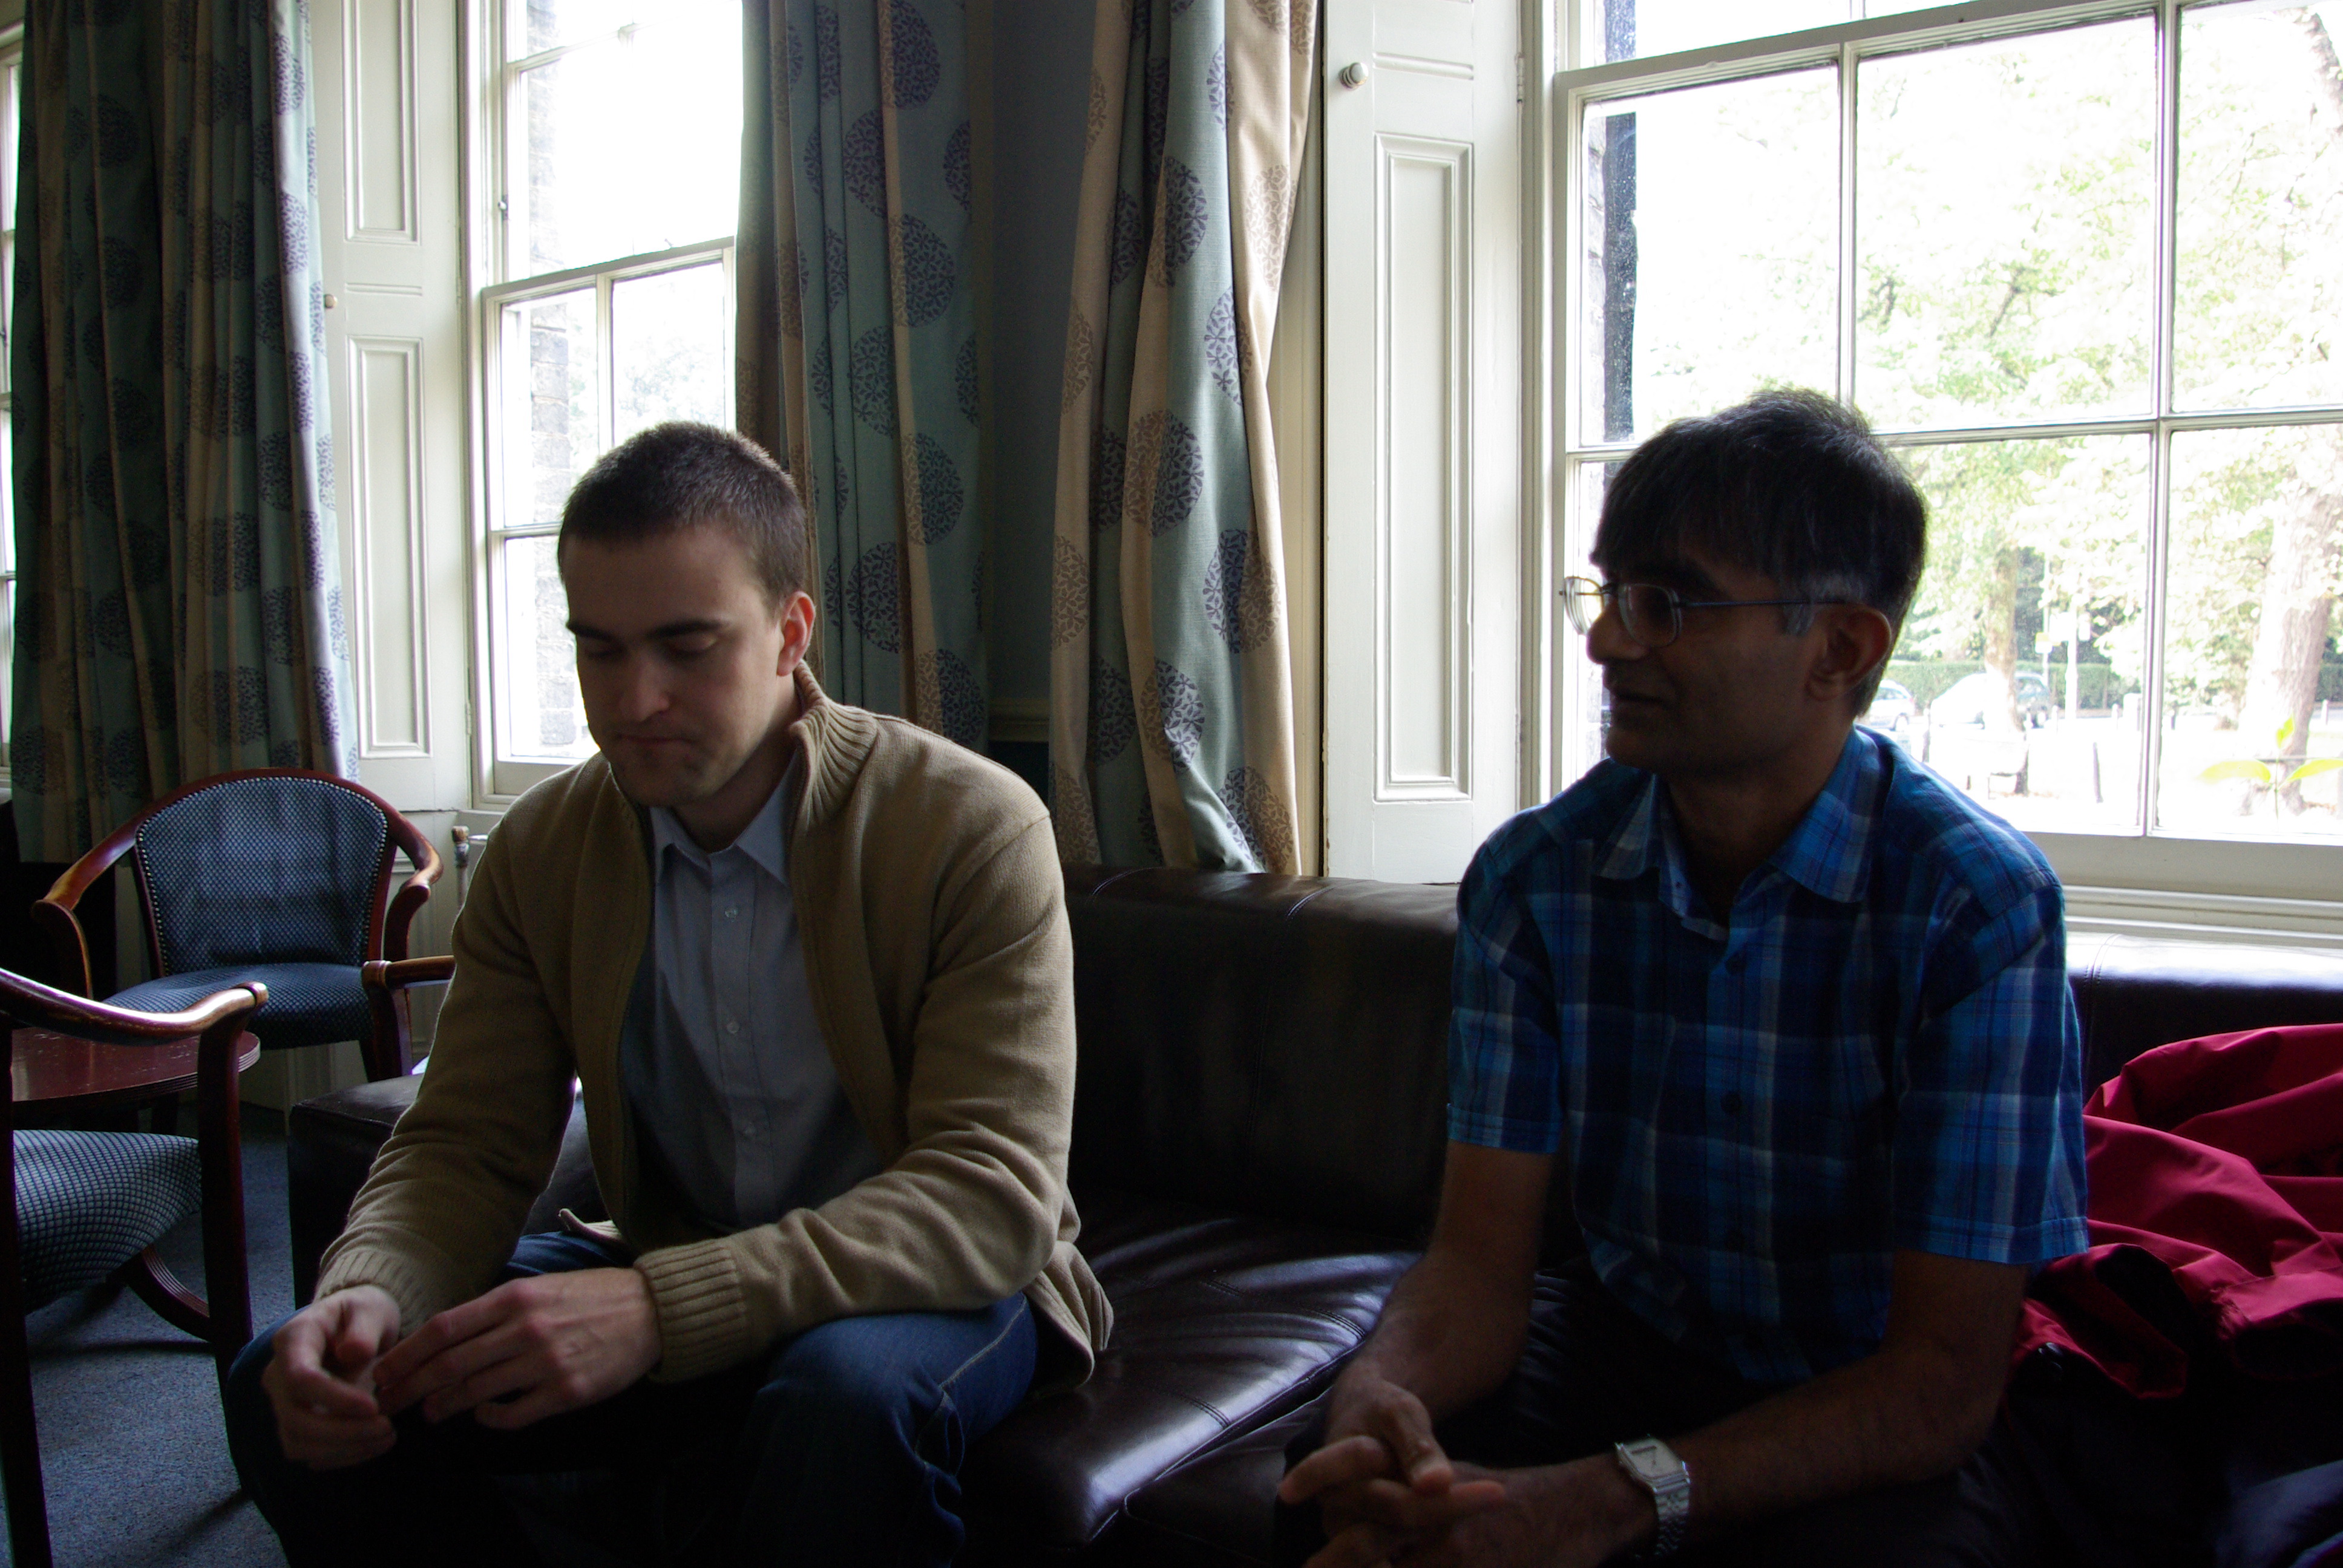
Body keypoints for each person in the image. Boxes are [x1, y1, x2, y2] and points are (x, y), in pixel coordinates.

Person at [224, 421, 1109, 1567]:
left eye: (688, 648)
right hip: (671, 1259)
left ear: (791, 633)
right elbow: (466, 1143)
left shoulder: (969, 827)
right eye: (599, 651)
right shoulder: (543, 851)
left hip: (940, 1287)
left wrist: (663, 1307)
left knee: (840, 1402)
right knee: (285, 1384)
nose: (634, 699)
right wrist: (373, 1289)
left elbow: (990, 1197)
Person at [1276, 390, 2088, 1566]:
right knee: (1337, 1499)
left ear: (1840, 649)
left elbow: (1941, 1384)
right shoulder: (1535, 879)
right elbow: (1477, 1268)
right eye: (1608, 595)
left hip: (1864, 1395)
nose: (1608, 642)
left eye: (1669, 603)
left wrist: (1603, 1501)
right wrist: (1376, 1394)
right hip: (1623, 1346)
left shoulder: (1976, 906)